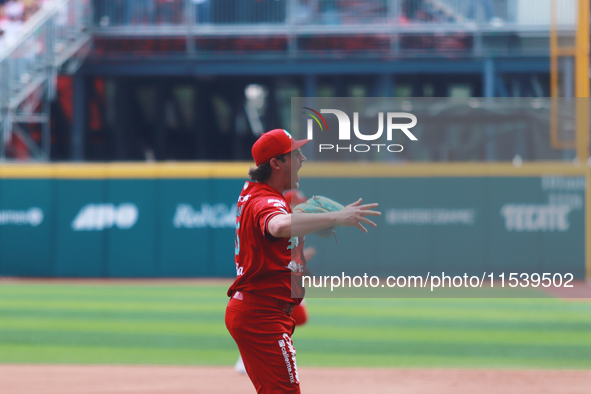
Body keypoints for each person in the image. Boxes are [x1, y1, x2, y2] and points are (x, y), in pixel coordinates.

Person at [225, 128, 380, 393]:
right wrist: (335, 218)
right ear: (276, 163)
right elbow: (277, 226)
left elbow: (277, 226)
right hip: (261, 315)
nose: (303, 159)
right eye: (295, 154)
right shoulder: (266, 201)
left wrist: (300, 219)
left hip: (261, 311)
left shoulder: (258, 194)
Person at [233, 189, 313, 375]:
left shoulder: (292, 222)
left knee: (296, 318)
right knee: (292, 317)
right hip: (267, 283)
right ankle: (249, 354)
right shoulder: (275, 217)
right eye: (298, 202)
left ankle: (261, 350)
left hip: (285, 279)